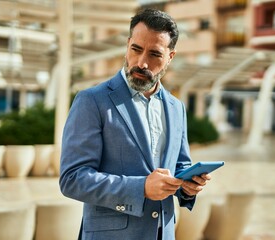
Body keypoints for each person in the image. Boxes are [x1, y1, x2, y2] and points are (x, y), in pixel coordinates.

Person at [59, 8, 211, 240]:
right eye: (136, 49)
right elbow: (72, 179)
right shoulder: (92, 101)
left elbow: (179, 166)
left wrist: (188, 186)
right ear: (128, 44)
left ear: (170, 57)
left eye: (155, 54)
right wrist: (140, 188)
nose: (142, 63)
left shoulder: (176, 107)